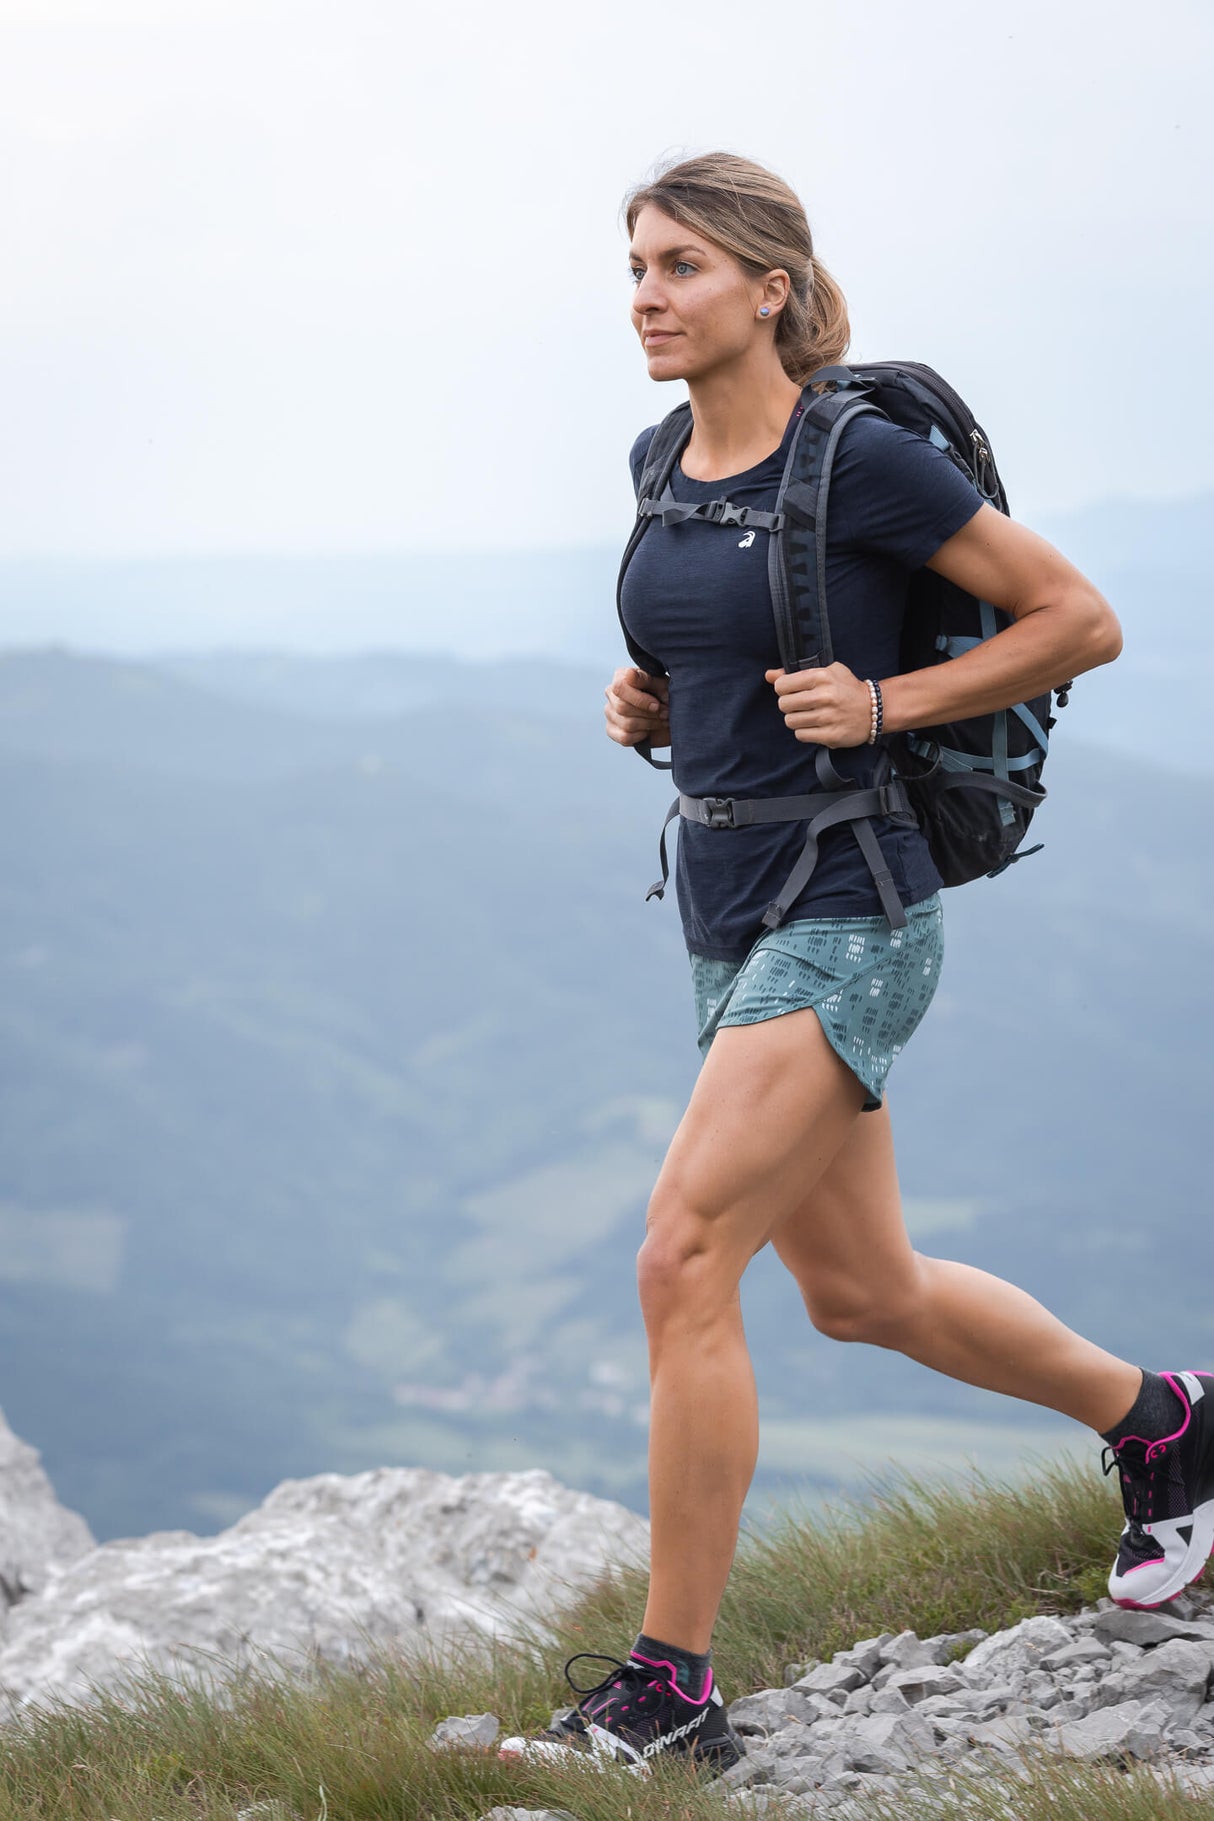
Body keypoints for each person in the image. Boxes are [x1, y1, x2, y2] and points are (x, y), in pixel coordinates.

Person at [499, 152, 1213, 1777]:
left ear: (769, 286)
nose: (645, 294)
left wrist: (889, 708)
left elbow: (1076, 616)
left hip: (853, 895)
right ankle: (1166, 1418)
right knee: (858, 1292)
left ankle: (667, 1686)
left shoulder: (865, 459)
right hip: (727, 891)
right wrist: (656, 707)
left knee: (681, 1260)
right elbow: (710, 646)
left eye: (679, 265)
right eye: (633, 265)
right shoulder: (658, 457)